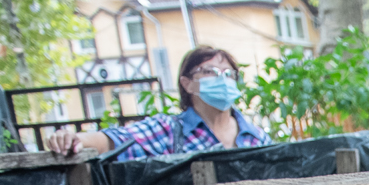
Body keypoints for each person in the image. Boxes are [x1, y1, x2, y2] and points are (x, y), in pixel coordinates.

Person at [45, 46, 269, 159]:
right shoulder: (169, 131)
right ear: (187, 84)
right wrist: (74, 139)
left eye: (228, 74)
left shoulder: (258, 138)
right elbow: (114, 141)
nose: (222, 79)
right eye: (209, 71)